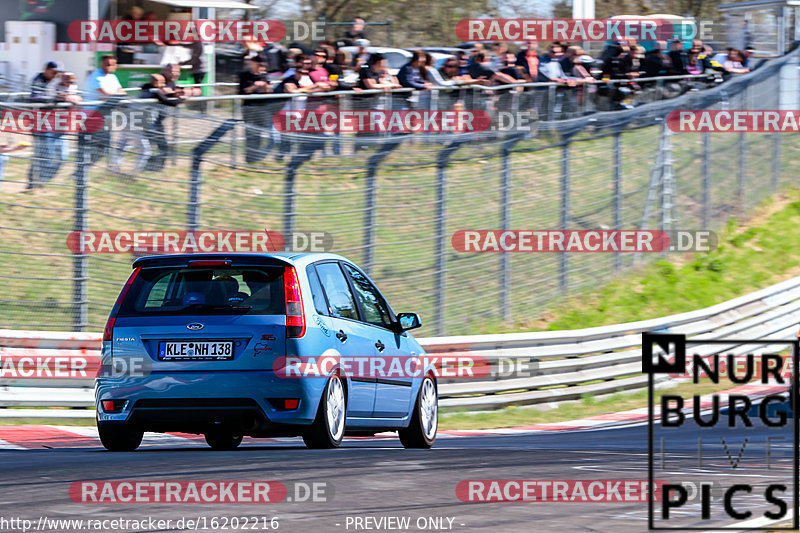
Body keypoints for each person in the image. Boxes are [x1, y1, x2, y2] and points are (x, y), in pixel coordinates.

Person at [84, 55, 127, 166]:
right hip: (92, 116)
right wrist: (115, 94)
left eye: (112, 64)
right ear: (101, 64)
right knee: (94, 146)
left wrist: (114, 94)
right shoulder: (96, 77)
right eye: (107, 64)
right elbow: (105, 95)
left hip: (105, 116)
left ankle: (82, 169)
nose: (109, 67)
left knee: (104, 148)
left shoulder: (112, 77)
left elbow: (123, 93)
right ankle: (81, 170)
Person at [26, 60, 62, 190]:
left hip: (51, 122)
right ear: (46, 69)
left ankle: (37, 180)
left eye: (57, 73)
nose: (55, 75)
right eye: (53, 72)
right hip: (39, 123)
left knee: (47, 154)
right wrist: (54, 99)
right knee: (44, 153)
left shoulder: (54, 82)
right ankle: (34, 181)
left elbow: (58, 95)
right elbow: (35, 98)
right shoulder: (37, 80)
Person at [238, 55, 273, 164]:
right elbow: (242, 92)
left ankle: (256, 158)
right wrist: (254, 86)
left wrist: (266, 86)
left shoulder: (264, 76)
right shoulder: (244, 75)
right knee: (250, 134)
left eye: (262, 66)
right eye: (259, 65)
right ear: (253, 63)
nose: (260, 68)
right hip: (249, 108)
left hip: (262, 109)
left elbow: (269, 92)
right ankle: (249, 159)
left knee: (259, 134)